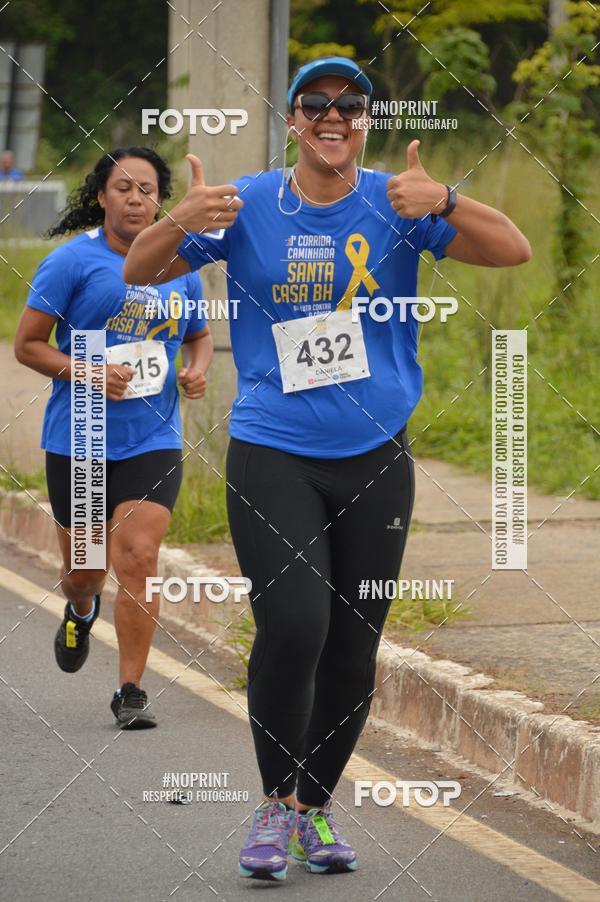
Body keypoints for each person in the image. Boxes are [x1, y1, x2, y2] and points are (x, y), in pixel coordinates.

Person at [124, 57, 531, 877]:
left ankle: (314, 811)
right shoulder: (248, 204)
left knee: (353, 648)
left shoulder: (398, 201)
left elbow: (515, 248)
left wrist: (445, 199)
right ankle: (273, 807)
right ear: (295, 119)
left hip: (377, 458)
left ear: (367, 120)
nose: (332, 117)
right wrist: (178, 219)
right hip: (275, 449)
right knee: (297, 626)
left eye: (350, 105)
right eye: (316, 104)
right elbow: (138, 273)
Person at [14, 147, 213, 729]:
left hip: (153, 435)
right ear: (101, 196)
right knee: (85, 569)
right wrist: (88, 371)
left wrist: (197, 368)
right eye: (122, 187)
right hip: (81, 434)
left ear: (160, 199)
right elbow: (29, 344)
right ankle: (80, 608)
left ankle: (130, 690)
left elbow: (198, 335)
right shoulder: (71, 262)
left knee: (140, 556)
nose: (135, 197)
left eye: (147, 189)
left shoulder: (182, 265)